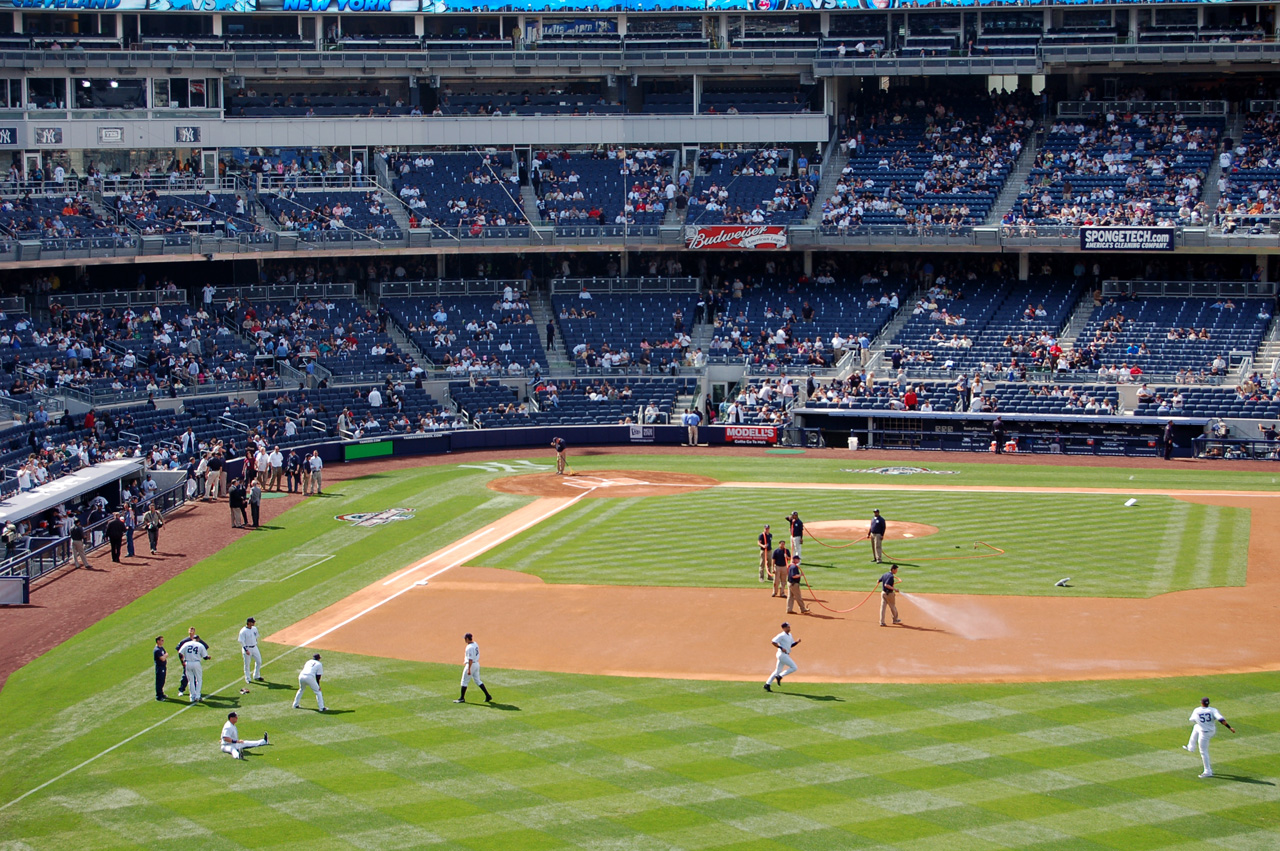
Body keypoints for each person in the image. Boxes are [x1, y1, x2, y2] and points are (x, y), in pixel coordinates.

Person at [1185, 696, 1235, 778]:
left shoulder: (1197, 710)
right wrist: (1230, 728)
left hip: (1204, 734)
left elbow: (1192, 720)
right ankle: (1190, 747)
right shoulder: (1213, 710)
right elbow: (1221, 720)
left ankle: (1208, 771)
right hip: (1211, 731)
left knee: (1203, 751)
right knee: (1196, 727)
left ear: (1201, 703)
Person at [454, 632, 493, 703]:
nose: (464, 640)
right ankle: (488, 695)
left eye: (465, 638)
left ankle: (462, 698)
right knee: (478, 680)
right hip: (477, 664)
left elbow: (470, 659)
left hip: (471, 665)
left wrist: (469, 669)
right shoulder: (475, 643)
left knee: (464, 681)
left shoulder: (470, 647)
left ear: (467, 639)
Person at [763, 622, 798, 692]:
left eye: (789, 626)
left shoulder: (790, 635)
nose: (789, 628)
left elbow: (791, 645)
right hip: (782, 654)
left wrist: (797, 642)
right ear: (784, 628)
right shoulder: (781, 635)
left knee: (777, 671)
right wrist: (780, 647)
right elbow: (773, 641)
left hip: (785, 654)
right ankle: (780, 676)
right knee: (794, 667)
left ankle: (767, 684)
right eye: (788, 627)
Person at [175, 626, 208, 696]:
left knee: (193, 678)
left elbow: (205, 647)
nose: (191, 632)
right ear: (188, 631)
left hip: (192, 661)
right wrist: (182, 661)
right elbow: (179, 651)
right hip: (188, 661)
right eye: (190, 630)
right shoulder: (185, 641)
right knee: (186, 677)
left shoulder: (198, 641)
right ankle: (182, 690)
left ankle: (194, 693)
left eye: (193, 630)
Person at [180, 630, 211, 702]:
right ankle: (197, 696)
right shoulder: (200, 645)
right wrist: (208, 657)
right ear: (198, 639)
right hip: (196, 663)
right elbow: (205, 657)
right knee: (199, 680)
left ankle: (192, 697)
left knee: (190, 680)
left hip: (188, 663)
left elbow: (180, 653)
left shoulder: (186, 644)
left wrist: (182, 662)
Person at [238, 617, 263, 684]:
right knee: (247, 664)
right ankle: (248, 678)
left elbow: (256, 637)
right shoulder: (243, 631)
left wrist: (255, 643)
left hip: (254, 647)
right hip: (247, 648)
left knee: (259, 661)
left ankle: (256, 675)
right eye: (253, 622)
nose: (254, 623)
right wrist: (246, 650)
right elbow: (241, 641)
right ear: (249, 623)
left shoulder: (254, 629)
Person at [153, 635, 168, 701]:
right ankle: (158, 696)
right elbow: (162, 658)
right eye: (162, 640)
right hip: (159, 667)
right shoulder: (157, 650)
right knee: (159, 681)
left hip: (163, 666)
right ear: (158, 641)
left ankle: (161, 693)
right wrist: (164, 656)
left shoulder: (161, 648)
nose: (163, 641)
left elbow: (166, 654)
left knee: (162, 681)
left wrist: (164, 656)